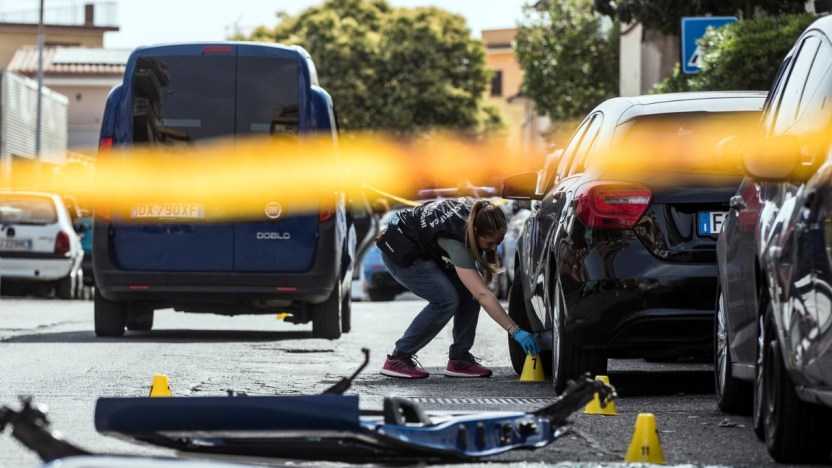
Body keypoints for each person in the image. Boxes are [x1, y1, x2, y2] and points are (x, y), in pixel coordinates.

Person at [376, 197, 541, 379]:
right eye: (489, 243)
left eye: (498, 242)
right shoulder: (456, 240)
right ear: (475, 231)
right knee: (445, 300)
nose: (493, 249)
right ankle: (399, 358)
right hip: (401, 250)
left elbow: (476, 292)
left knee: (468, 293)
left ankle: (459, 359)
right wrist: (515, 331)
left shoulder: (478, 215)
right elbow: (483, 295)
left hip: (423, 246)